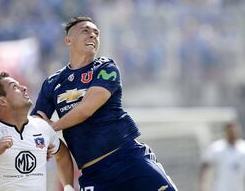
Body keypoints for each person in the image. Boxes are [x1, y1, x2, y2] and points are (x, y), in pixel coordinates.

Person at [31, 16, 177, 191]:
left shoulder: (106, 67)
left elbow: (86, 109)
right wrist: (46, 138)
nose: (93, 35)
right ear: (68, 40)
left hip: (130, 159)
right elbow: (36, 123)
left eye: (96, 33)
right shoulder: (52, 83)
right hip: (94, 174)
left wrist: (52, 128)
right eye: (85, 31)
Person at [0, 72, 75, 191]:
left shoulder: (42, 127)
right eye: (15, 87)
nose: (24, 88)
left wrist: (68, 187)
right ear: (2, 100)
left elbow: (62, 155)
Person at [200, 121, 245, 191]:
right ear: (226, 132)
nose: (233, 133)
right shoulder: (217, 147)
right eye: (230, 131)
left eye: (234, 131)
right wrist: (203, 185)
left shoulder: (243, 147)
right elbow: (204, 166)